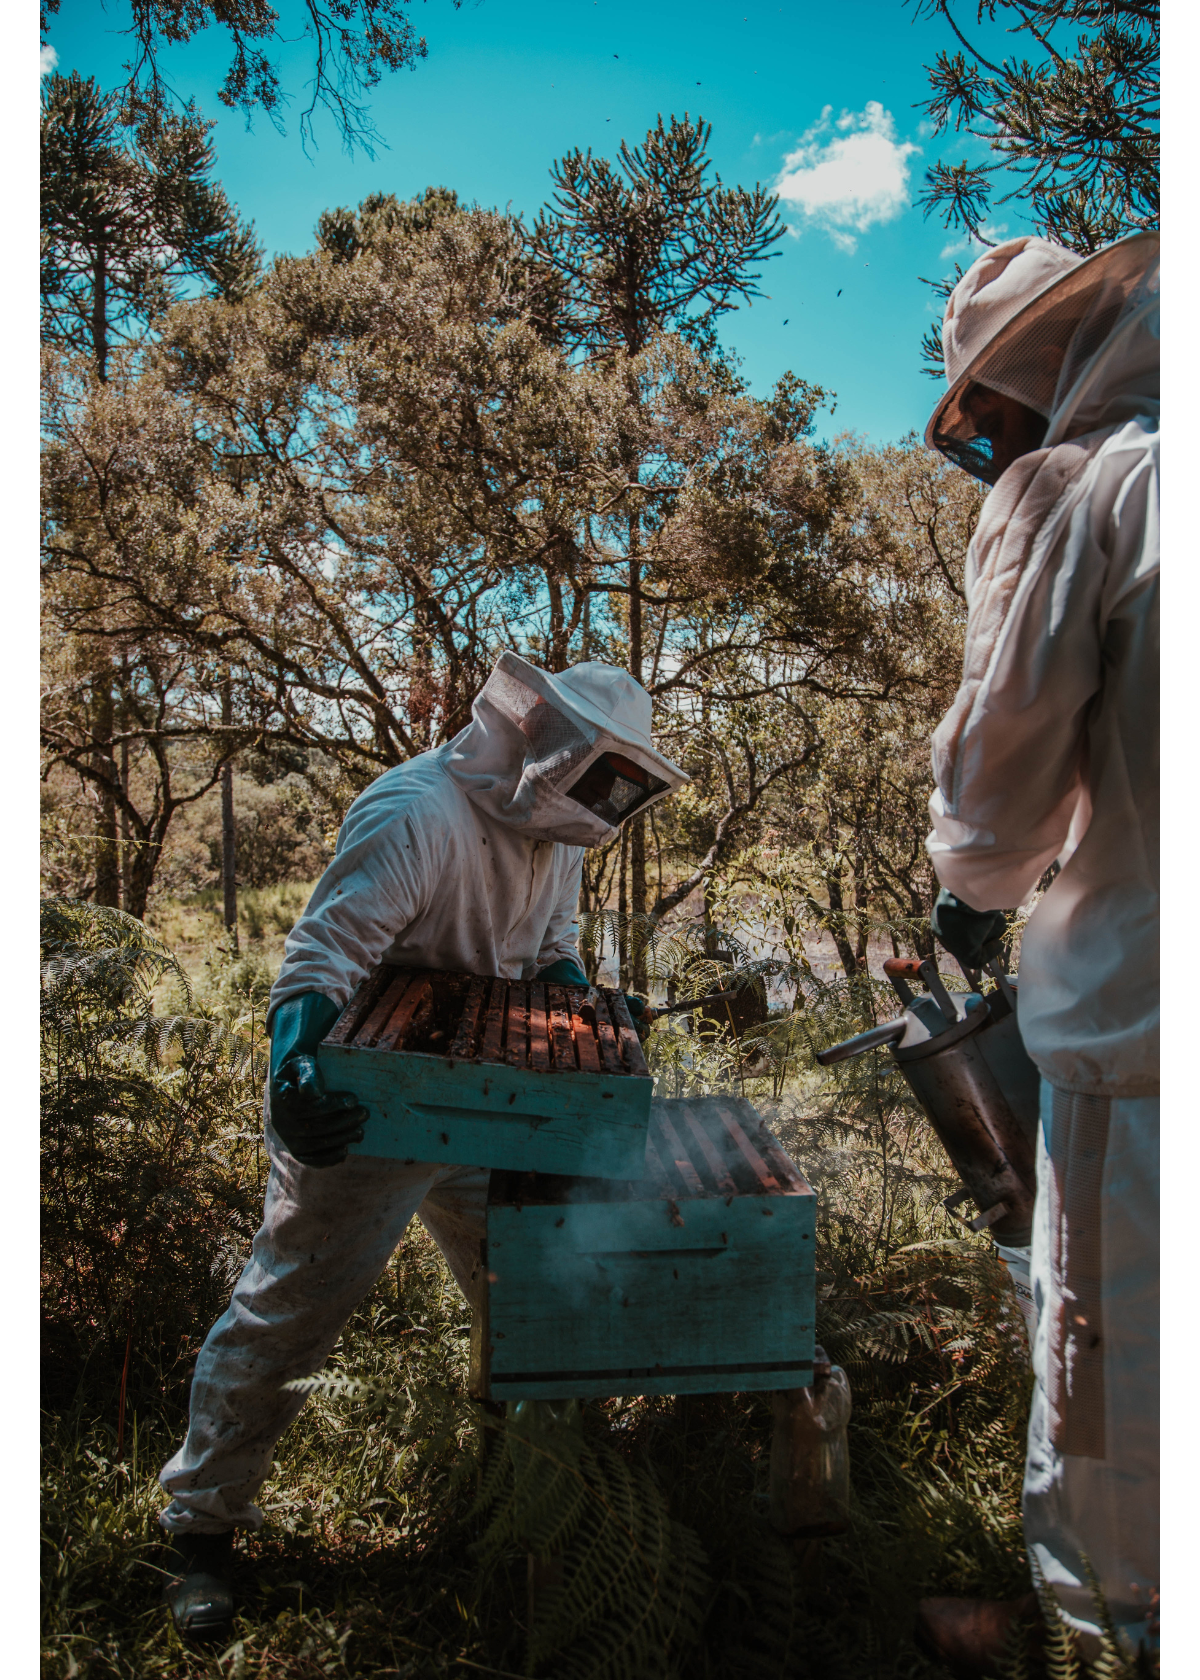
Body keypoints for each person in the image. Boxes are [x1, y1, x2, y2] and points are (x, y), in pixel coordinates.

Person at [157, 652, 689, 1638]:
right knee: (290, 1312)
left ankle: (522, 1495)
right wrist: (294, 1071)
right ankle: (200, 1529)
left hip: (490, 1111)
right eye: (600, 775)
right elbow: (319, 959)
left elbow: (547, 949)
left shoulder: (557, 833)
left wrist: (591, 1011)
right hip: (371, 1113)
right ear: (548, 744)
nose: (607, 800)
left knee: (529, 1291)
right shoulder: (416, 813)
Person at [912, 233, 1159, 1673]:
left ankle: (1111, 1634)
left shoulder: (1083, 484)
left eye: (984, 420)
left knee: (1112, 1375)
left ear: (1030, 376)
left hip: (1141, 1031)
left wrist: (973, 883)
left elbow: (996, 787)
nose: (987, 451)